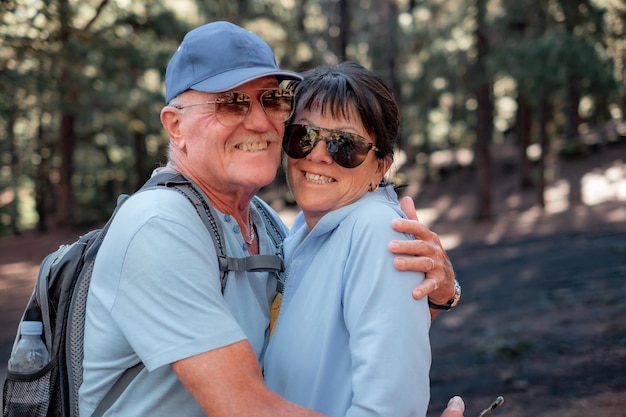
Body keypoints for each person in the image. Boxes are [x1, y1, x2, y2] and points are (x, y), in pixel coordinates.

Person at [79, 21, 463, 417]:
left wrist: (437, 295)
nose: (261, 123)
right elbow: (249, 407)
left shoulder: (271, 229)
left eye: (271, 100)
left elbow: (363, 335)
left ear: (382, 166)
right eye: (230, 102)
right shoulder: (159, 227)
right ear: (175, 126)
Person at [263, 61, 429, 416]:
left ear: (381, 168)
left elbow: (390, 405)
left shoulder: (378, 232)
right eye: (303, 135)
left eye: (345, 145)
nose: (318, 155)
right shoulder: (299, 236)